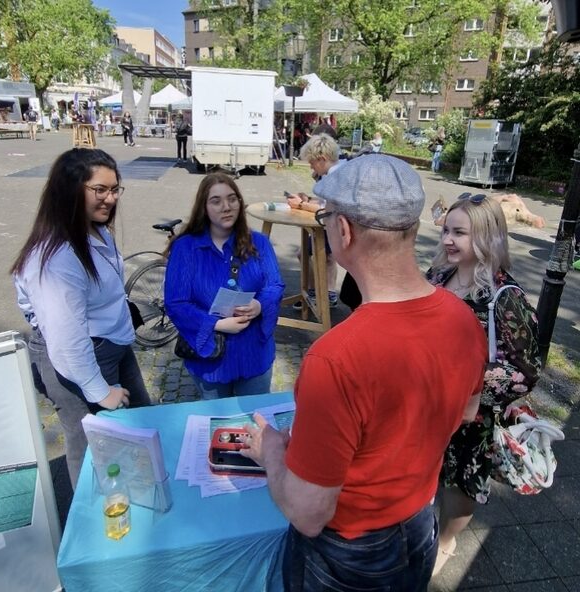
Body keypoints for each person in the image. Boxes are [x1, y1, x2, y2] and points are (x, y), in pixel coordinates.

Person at [241, 154, 487, 592]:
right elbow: (467, 412)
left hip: (350, 555)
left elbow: (309, 514)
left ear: (344, 230)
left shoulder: (335, 359)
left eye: (326, 216)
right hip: (418, 527)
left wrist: (272, 451)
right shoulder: (464, 319)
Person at [11, 148, 152, 489]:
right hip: (79, 359)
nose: (110, 198)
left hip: (112, 345)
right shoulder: (57, 257)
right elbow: (66, 339)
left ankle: (142, 493)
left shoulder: (93, 229)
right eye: (99, 190)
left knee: (141, 423)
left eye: (115, 188)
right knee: (90, 446)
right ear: (70, 190)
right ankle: (93, 524)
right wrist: (99, 391)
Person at [426, 193, 541, 575]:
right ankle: (427, 530)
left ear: (488, 236)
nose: (447, 240)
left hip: (473, 417)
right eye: (446, 230)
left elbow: (528, 370)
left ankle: (445, 542)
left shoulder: (505, 297)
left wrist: (472, 393)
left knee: (461, 483)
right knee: (430, 472)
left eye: (460, 233)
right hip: (429, 407)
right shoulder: (437, 276)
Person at [164, 172, 284, 399]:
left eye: (232, 198)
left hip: (253, 354)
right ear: (204, 207)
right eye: (216, 201)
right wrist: (216, 324)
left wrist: (259, 305)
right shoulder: (186, 248)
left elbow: (275, 285)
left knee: (254, 421)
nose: (226, 207)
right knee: (218, 425)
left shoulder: (259, 242)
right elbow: (176, 303)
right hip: (210, 361)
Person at [286, 133, 343, 308]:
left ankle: (321, 294)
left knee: (323, 256)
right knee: (318, 256)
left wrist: (302, 204)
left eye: (312, 162)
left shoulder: (335, 176)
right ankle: (321, 293)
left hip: (332, 225)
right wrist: (309, 200)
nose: (311, 167)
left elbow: (329, 210)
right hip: (330, 225)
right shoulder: (336, 172)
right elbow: (327, 203)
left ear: (322, 159)